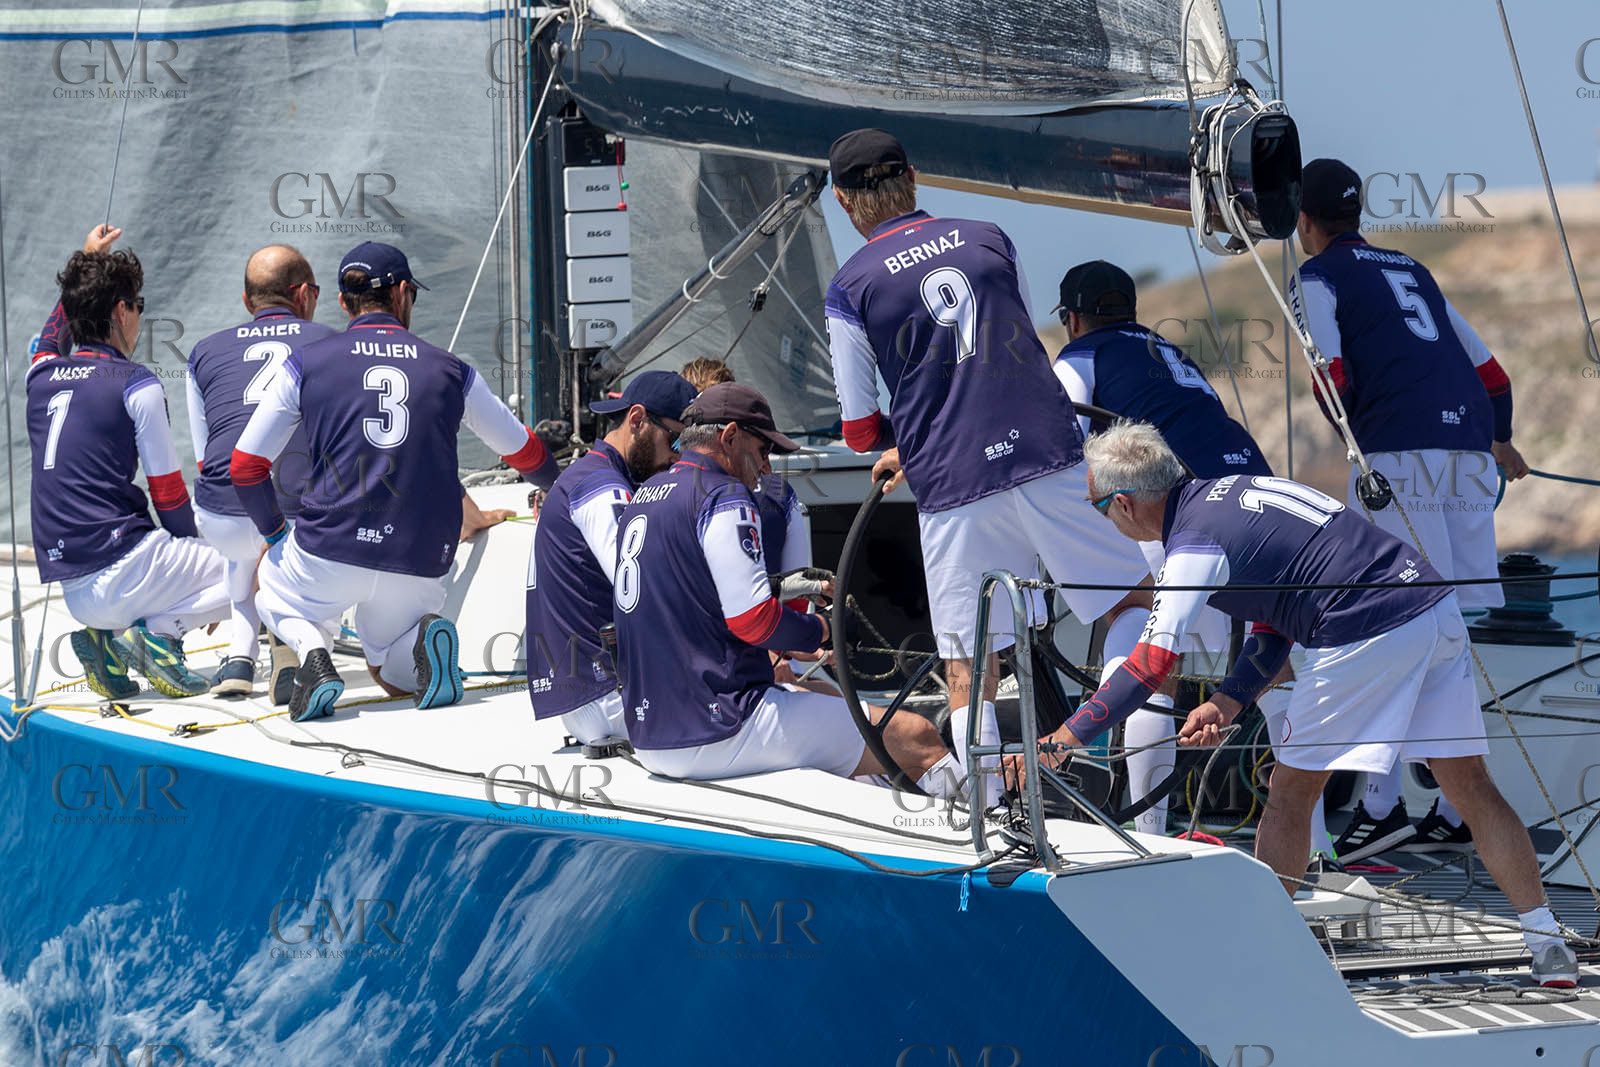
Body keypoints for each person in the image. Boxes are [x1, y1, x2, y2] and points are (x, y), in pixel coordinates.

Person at [1023, 420, 1575, 987]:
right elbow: (1275, 622)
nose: (1103, 520)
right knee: (1470, 788)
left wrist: (1061, 742)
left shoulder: (1191, 546)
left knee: (1290, 795)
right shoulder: (1232, 494)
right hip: (1431, 610)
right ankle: (1548, 944)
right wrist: (1229, 700)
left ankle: (1264, 953)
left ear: (1126, 504)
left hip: (1364, 631)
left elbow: (1149, 666)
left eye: (1097, 509)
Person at [823, 128, 1150, 785]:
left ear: (841, 198)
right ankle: (1111, 763)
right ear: (912, 176)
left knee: (967, 659)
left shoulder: (850, 286)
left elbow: (859, 431)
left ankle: (988, 809)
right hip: (1045, 453)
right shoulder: (990, 236)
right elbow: (1018, 352)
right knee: (1135, 602)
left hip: (951, 481)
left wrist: (916, 437)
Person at [1289, 157, 1527, 858]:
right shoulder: (1412, 268)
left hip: (1397, 459)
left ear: (1304, 222)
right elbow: (1491, 374)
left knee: (1391, 619)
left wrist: (1358, 454)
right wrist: (1498, 438)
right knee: (1446, 623)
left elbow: (1330, 376)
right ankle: (1455, 807)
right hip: (1465, 453)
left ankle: (1386, 804)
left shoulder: (1318, 274)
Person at [231, 242, 560, 721]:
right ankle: (422, 641)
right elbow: (524, 452)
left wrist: (277, 534)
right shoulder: (453, 371)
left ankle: (312, 656)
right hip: (420, 558)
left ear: (344, 303)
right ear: (404, 293)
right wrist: (553, 484)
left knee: (271, 582)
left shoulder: (305, 364)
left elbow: (244, 467)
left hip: (331, 551)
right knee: (387, 669)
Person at [613, 382, 960, 793]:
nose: (766, 469)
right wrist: (827, 631)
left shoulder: (643, 497)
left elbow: (691, 598)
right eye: (763, 452)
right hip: (720, 727)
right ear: (729, 437)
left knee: (817, 698)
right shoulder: (725, 496)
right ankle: (983, 833)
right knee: (917, 736)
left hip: (650, 735)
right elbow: (752, 621)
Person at [1051, 259, 1275, 838]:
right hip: (1256, 491)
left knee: (1157, 658)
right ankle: (1316, 841)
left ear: (1071, 318)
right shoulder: (1164, 352)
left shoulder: (1080, 357)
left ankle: (1147, 833)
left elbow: (1061, 443)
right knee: (1273, 659)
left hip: (1180, 504)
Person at [29, 236, 229, 699]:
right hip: (127, 569)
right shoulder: (137, 385)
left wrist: (87, 264)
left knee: (214, 567)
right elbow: (169, 495)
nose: (140, 316)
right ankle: (161, 635)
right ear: (121, 312)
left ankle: (106, 643)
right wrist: (201, 569)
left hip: (74, 590)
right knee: (260, 566)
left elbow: (47, 337)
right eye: (138, 305)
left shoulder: (38, 375)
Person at [186, 245, 333, 699]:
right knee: (292, 530)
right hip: (293, 517)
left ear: (248, 302)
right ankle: (290, 644)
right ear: (305, 294)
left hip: (220, 517)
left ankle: (240, 654)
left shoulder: (202, 352)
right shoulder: (331, 344)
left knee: (243, 535)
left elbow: (204, 456)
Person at [526, 370, 696, 744]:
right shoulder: (604, 489)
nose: (676, 459)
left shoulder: (587, 476)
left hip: (587, 695)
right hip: (606, 699)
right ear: (637, 420)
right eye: (676, 441)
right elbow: (642, 590)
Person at [679, 358, 833, 694]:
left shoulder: (655, 490)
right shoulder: (778, 495)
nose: (763, 467)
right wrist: (814, 637)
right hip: (757, 666)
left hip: (688, 676)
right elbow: (793, 601)